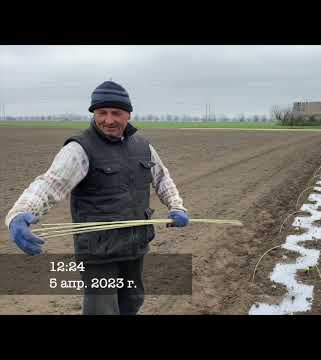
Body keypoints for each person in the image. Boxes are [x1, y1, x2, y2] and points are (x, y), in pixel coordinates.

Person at [4, 80, 189, 315]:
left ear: (128, 114)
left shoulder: (143, 146)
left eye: (116, 113)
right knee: (101, 311)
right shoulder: (80, 149)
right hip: (98, 252)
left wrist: (177, 207)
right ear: (93, 113)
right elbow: (49, 184)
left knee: (131, 305)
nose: (109, 120)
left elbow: (162, 179)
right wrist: (19, 213)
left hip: (135, 247)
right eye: (102, 112)